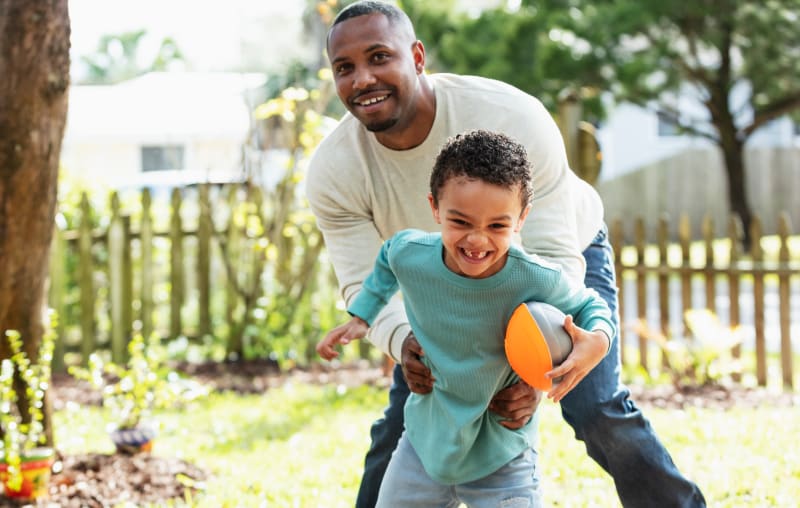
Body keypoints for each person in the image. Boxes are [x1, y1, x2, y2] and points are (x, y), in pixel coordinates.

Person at [306, 1, 707, 507]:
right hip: (442, 286)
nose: (363, 78)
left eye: (379, 57)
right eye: (345, 68)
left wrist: (530, 370)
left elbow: (553, 252)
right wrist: (406, 342)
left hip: (551, 264)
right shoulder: (334, 171)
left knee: (595, 406)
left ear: (417, 56)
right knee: (408, 422)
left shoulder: (509, 115)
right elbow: (367, 281)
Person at [317, 129, 616, 507]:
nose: (477, 240)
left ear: (521, 219)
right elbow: (388, 258)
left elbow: (593, 307)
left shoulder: (536, 276)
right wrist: (362, 315)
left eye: (497, 226)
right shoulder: (412, 254)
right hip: (423, 446)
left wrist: (598, 342)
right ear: (435, 208)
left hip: (502, 452)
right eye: (460, 222)